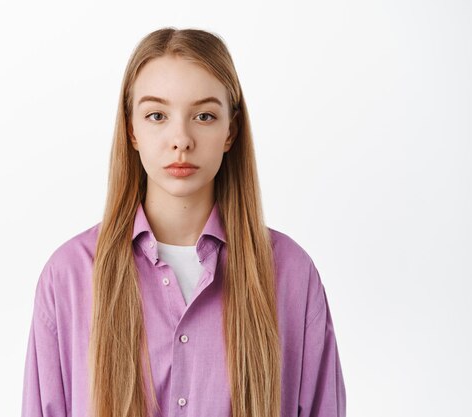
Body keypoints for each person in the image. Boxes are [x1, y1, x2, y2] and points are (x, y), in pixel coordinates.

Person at [21, 27, 346, 417]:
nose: (181, 139)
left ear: (231, 131)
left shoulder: (291, 274)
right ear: (132, 130)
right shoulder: (69, 276)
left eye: (204, 115)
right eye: (157, 115)